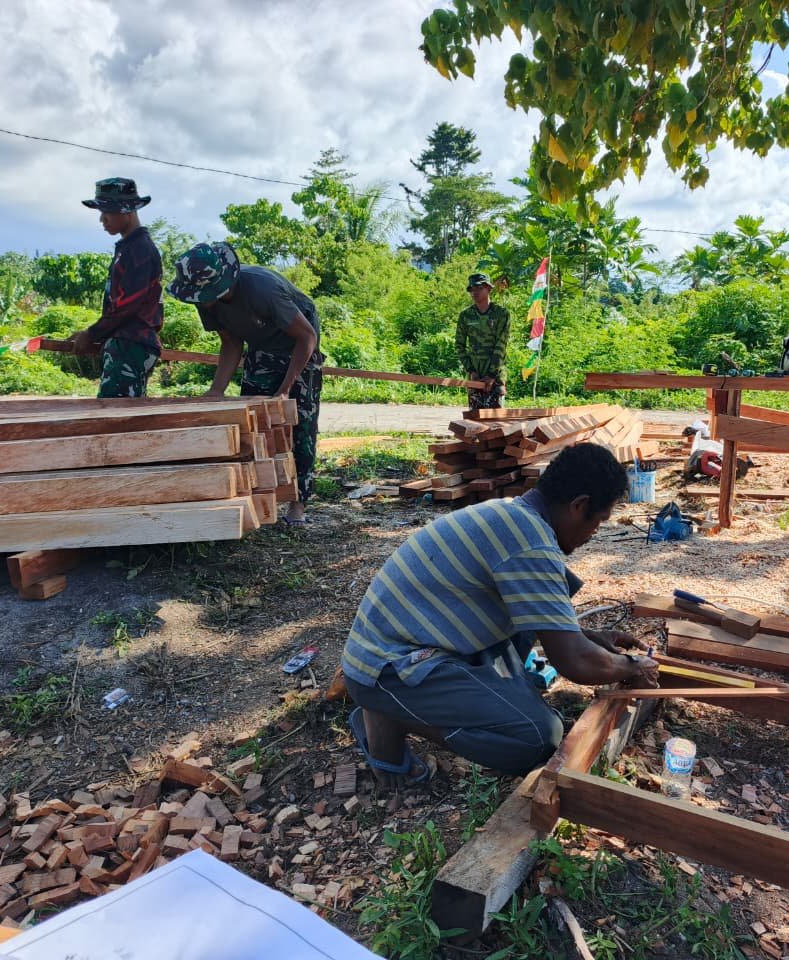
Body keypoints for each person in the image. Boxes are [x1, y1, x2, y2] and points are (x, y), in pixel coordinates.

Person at [341, 443, 659, 785]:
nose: (592, 534)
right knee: (538, 737)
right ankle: (390, 716)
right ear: (579, 506)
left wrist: (587, 639)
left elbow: (546, 616)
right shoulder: (530, 543)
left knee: (543, 606)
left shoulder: (514, 516)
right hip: (387, 667)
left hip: (402, 649)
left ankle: (423, 706)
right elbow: (574, 663)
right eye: (597, 522)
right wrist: (631, 666)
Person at [168, 242, 322, 524]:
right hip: (260, 348)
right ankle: (260, 499)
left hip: (299, 347)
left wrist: (285, 388)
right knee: (254, 425)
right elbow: (230, 341)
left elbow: (307, 337)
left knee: (299, 424)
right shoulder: (205, 300)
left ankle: (298, 505)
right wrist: (216, 390)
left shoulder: (263, 289)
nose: (198, 301)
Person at [69, 178, 163, 397]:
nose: (102, 219)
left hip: (131, 344)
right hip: (126, 343)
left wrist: (91, 334)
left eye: (107, 212)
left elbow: (126, 307)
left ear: (126, 211)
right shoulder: (130, 247)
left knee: (116, 417)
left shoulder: (138, 250)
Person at [456, 272, 510, 410]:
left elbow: (501, 346)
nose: (475, 292)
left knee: (496, 424)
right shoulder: (466, 316)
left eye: (479, 288)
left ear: (489, 289)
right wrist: (471, 371)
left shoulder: (501, 314)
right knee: (475, 422)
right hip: (475, 377)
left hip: (496, 377)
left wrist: (491, 375)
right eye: (472, 290)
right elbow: (459, 346)